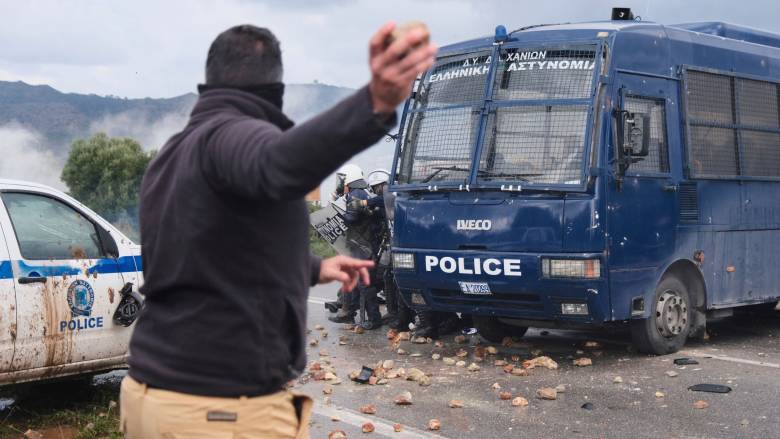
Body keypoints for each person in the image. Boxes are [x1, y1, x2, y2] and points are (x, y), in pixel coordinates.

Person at [121, 23, 436, 439]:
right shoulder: (232, 136)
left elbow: (214, 254)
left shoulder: (175, 153)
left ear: (210, 81)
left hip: (154, 398)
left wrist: (313, 269)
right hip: (216, 412)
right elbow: (276, 164)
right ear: (274, 89)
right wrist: (373, 103)